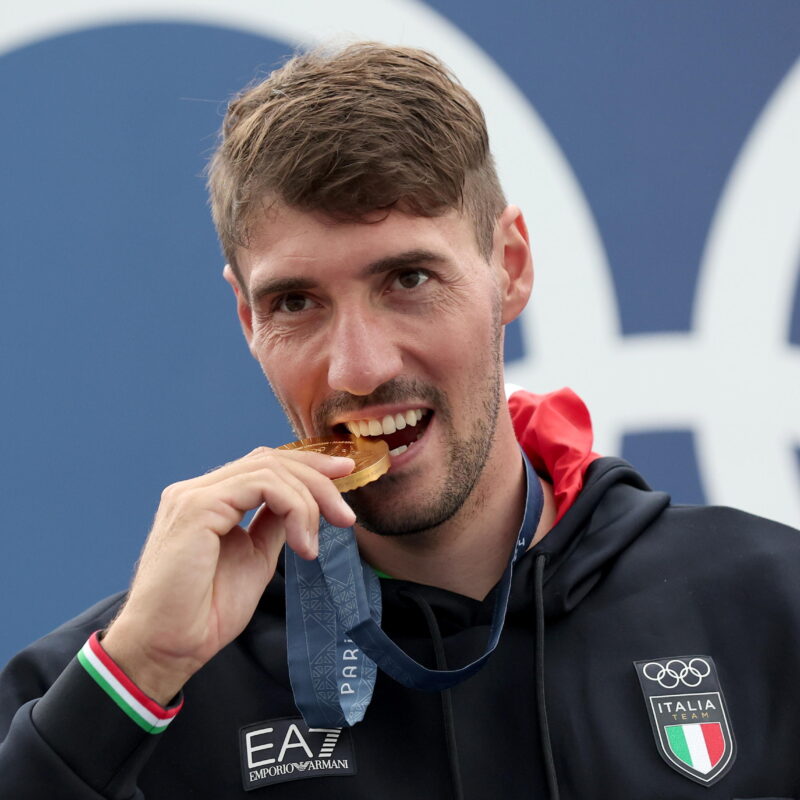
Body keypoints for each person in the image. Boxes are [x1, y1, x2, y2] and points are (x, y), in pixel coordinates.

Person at [1, 42, 799, 800]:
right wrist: (137, 672)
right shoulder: (133, 678)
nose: (358, 367)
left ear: (510, 268)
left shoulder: (766, 605)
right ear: (247, 320)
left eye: (408, 278)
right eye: (296, 303)